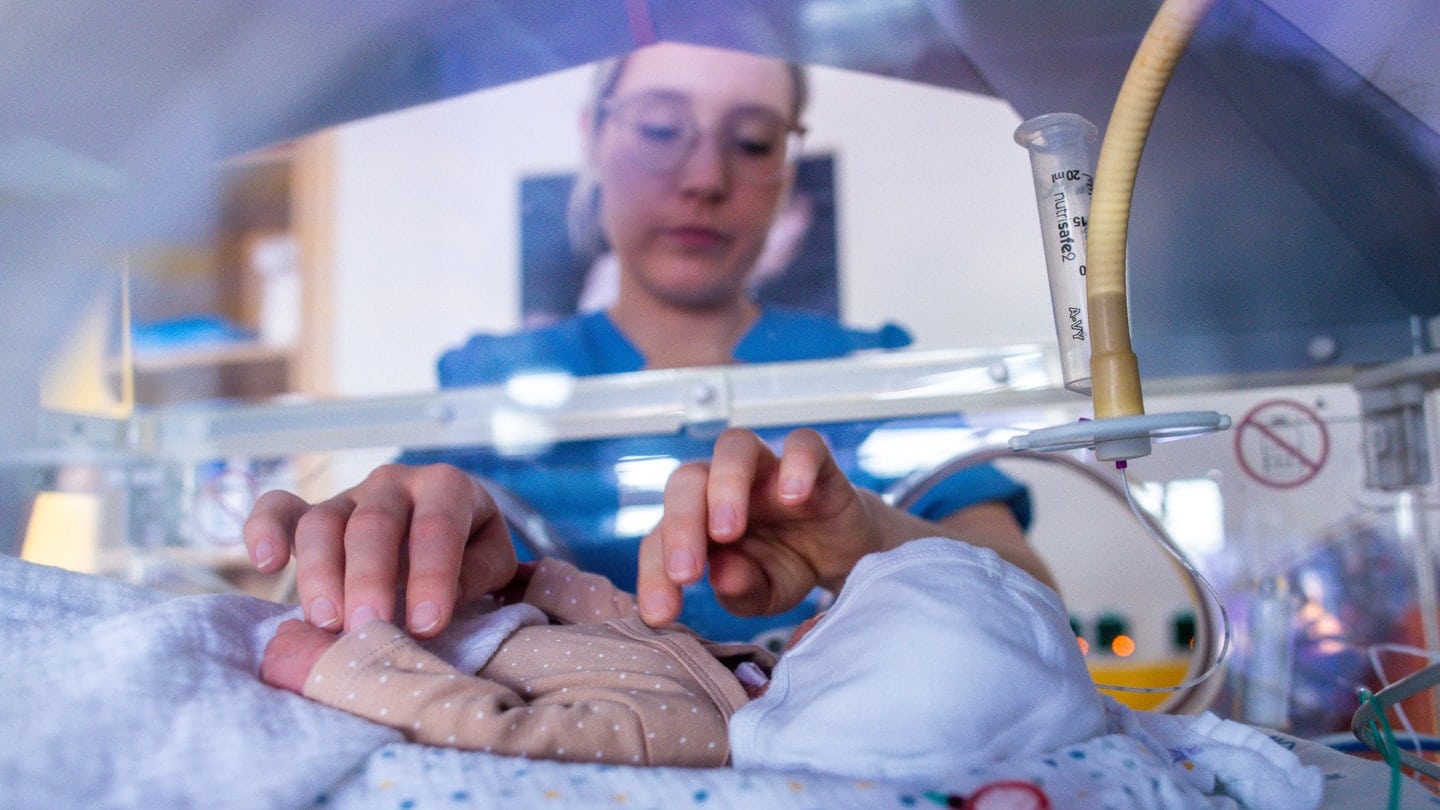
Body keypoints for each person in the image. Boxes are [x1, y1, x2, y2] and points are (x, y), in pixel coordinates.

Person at [242, 41, 1054, 645]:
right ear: (594, 136)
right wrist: (366, 555)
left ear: (786, 166)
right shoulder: (495, 381)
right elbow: (395, 554)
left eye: (753, 140)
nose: (704, 178)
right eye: (663, 128)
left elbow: (1035, 599)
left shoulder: (865, 368)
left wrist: (875, 543)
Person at [259, 536, 1107, 782]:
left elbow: (508, 732)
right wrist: (527, 574)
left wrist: (342, 672)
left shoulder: (700, 731)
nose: (810, 623)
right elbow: (622, 620)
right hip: (448, 609)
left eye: (842, 624)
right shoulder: (735, 670)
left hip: (380, 650)